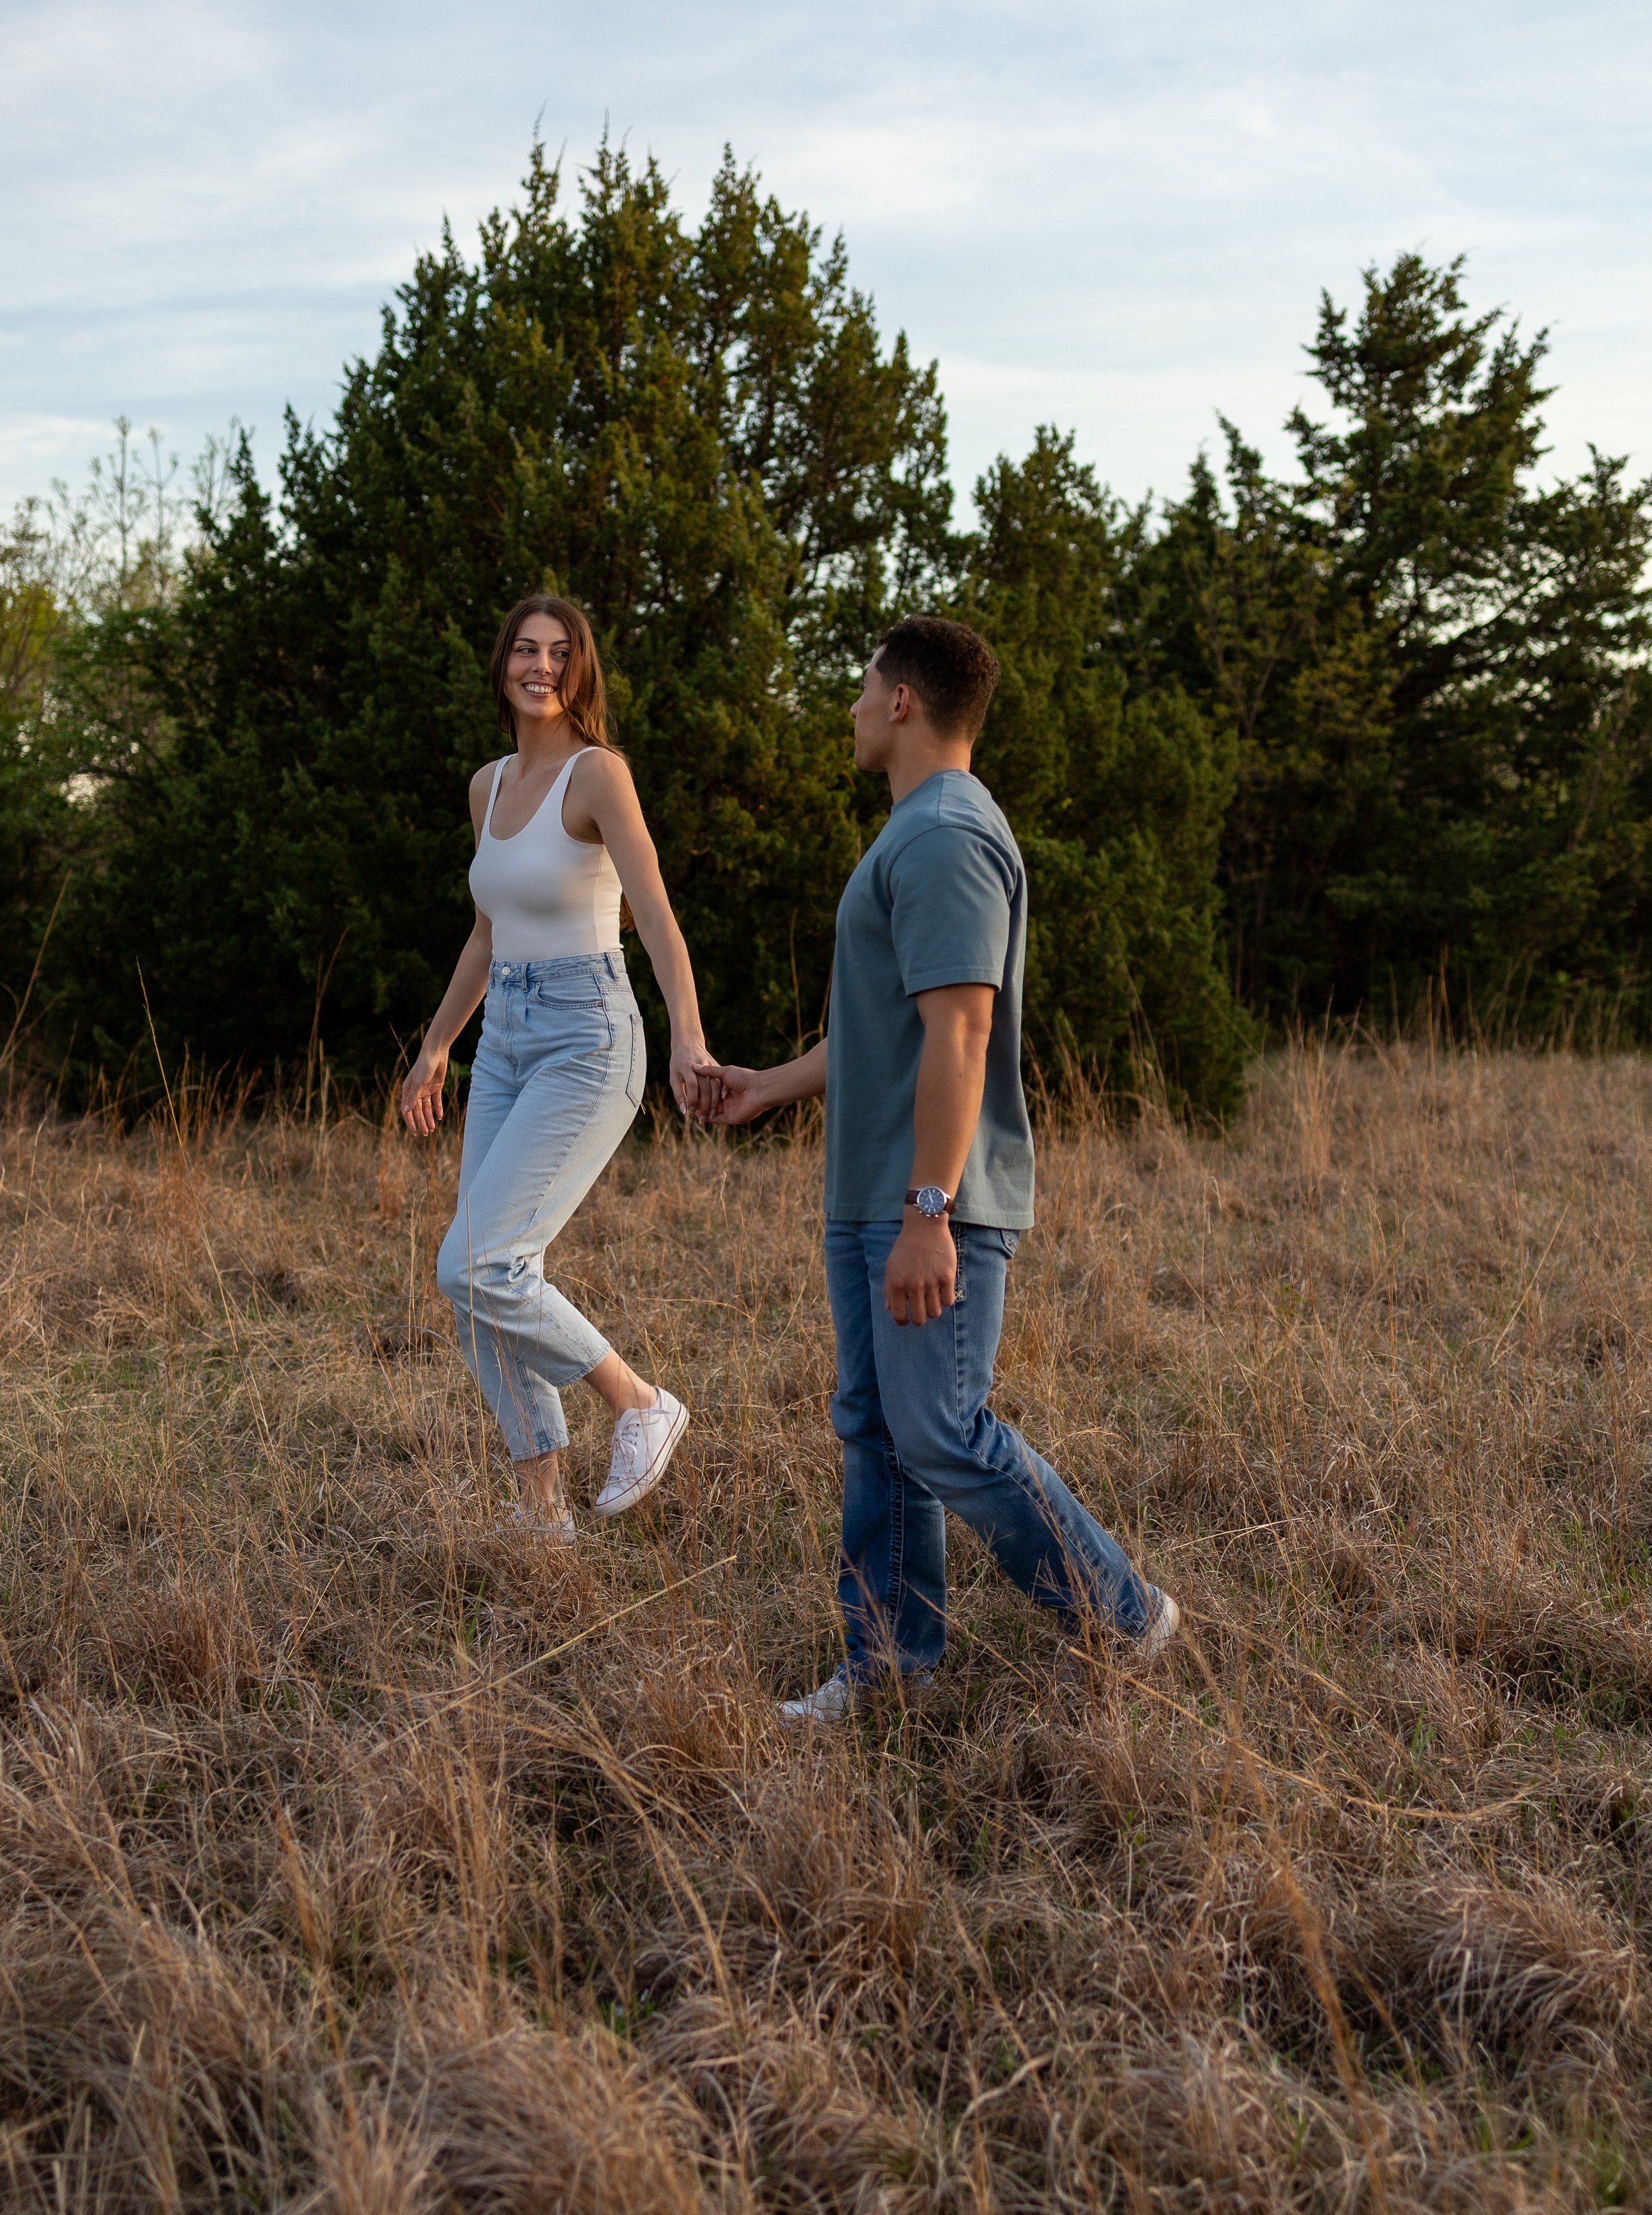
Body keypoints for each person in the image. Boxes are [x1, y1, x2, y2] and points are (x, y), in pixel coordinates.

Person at [702, 615, 1177, 1714]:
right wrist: (765, 1084)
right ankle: (888, 1665)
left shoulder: (945, 834)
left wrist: (931, 1210)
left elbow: (964, 1031)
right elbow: (892, 1032)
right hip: (872, 1191)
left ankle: (1124, 1611)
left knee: (939, 1427)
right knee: (878, 1430)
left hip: (924, 1201)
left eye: (864, 685)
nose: (855, 706)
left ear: (905, 700)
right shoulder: (916, 831)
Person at [401, 594, 709, 1539]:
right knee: (475, 1285)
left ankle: (638, 1400)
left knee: (478, 1260)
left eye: (561, 653)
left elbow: (653, 913)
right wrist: (438, 1043)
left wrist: (688, 1038)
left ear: (580, 672)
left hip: (589, 1033)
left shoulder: (597, 775)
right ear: (503, 664)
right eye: (527, 650)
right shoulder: (486, 786)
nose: (542, 666)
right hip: (506, 1042)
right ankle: (545, 1518)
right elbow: (489, 933)